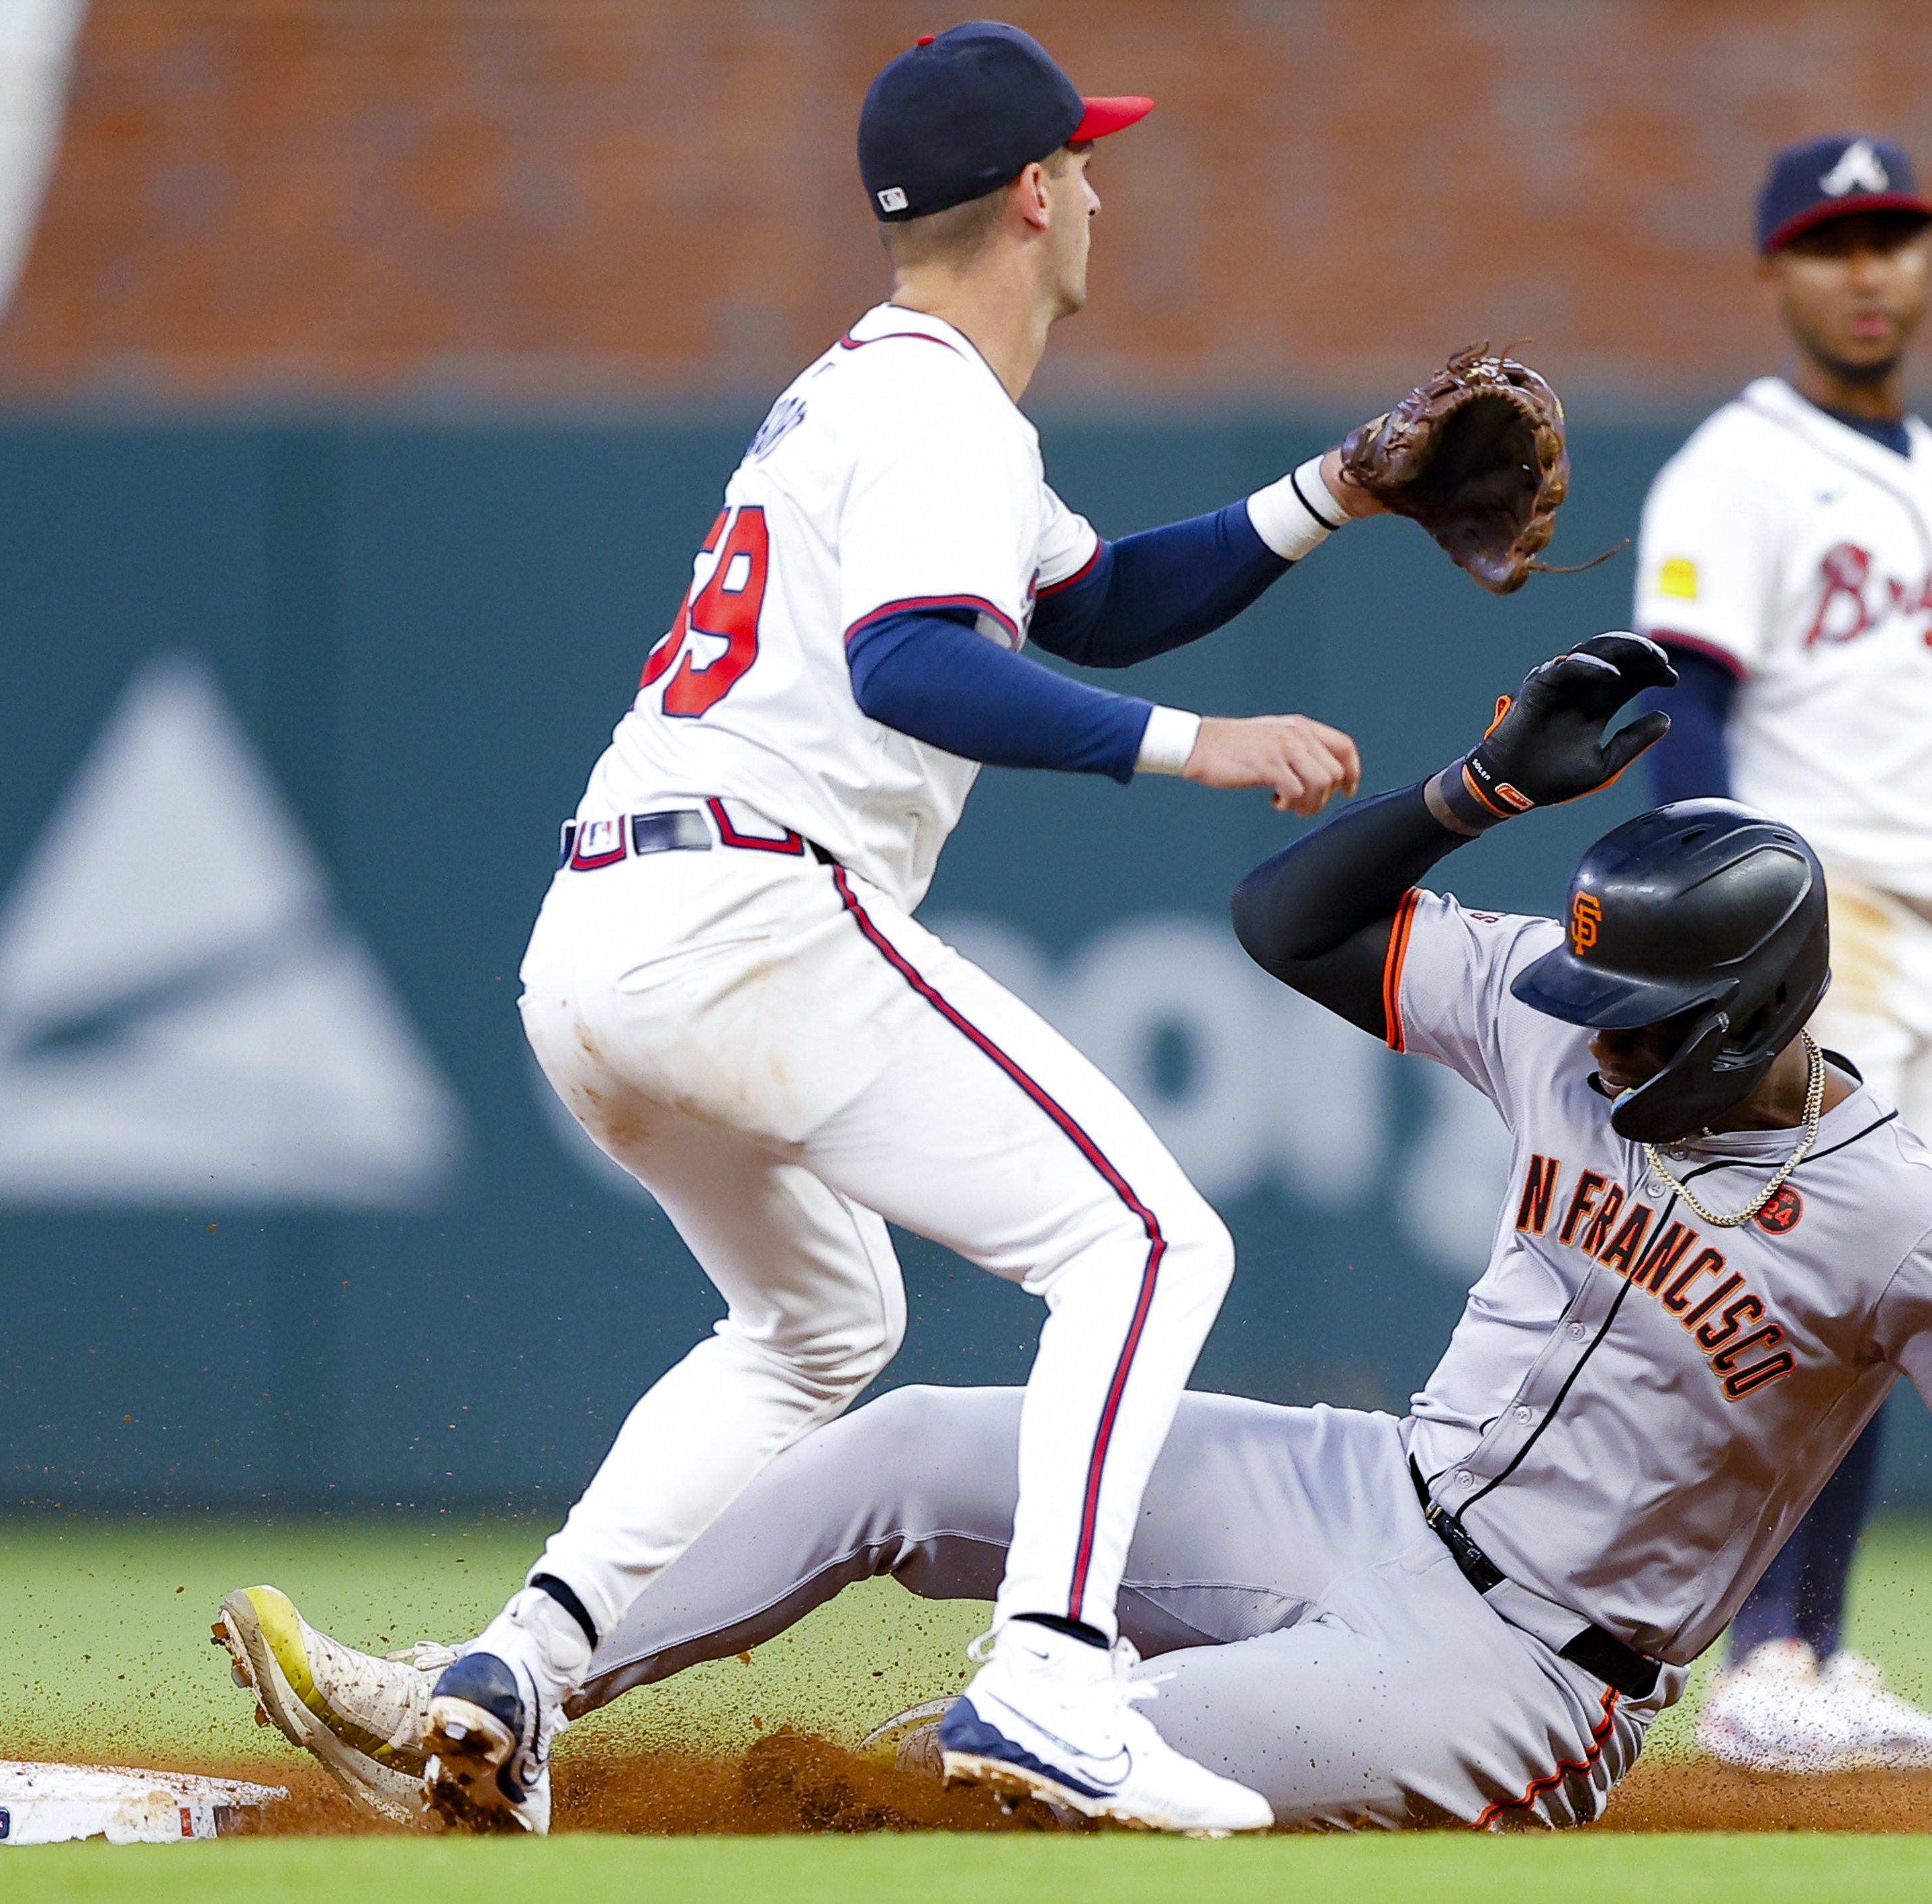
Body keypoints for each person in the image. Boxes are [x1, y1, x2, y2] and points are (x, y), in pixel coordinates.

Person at [215, 638, 1932, 1837]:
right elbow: (1291, 924)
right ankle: (497, 1700)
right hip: (1360, 1487)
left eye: (1642, 1029)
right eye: (1586, 1011)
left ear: (1762, 1018)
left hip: (1528, 1671)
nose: (1587, 1046)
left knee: (1017, 1767)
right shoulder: (1562, 1008)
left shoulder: (1898, 1212)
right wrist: (1476, 786)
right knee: (905, 1442)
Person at [367, 22, 1451, 1836]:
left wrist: (1335, 488)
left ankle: (515, 1668)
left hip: (600, 937)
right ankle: (1049, 1674)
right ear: (1034, 194)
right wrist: (1206, 750)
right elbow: (909, 659)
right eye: (1083, 165)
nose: (1100, 189)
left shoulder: (876, 389)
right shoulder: (941, 405)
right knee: (1145, 1241)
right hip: (748, 906)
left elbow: (1088, 601)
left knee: (812, 1319)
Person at [1631, 133, 1932, 1774]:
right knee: (1823, 1302)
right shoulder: (1731, 473)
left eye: (1895, 234)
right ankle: (1763, 1661)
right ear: (1777, 270)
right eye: (1834, 241)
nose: (1871, 267)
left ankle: (1801, 1658)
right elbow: (1684, 706)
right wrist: (1730, 941)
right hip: (1828, 940)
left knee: (1879, 1311)